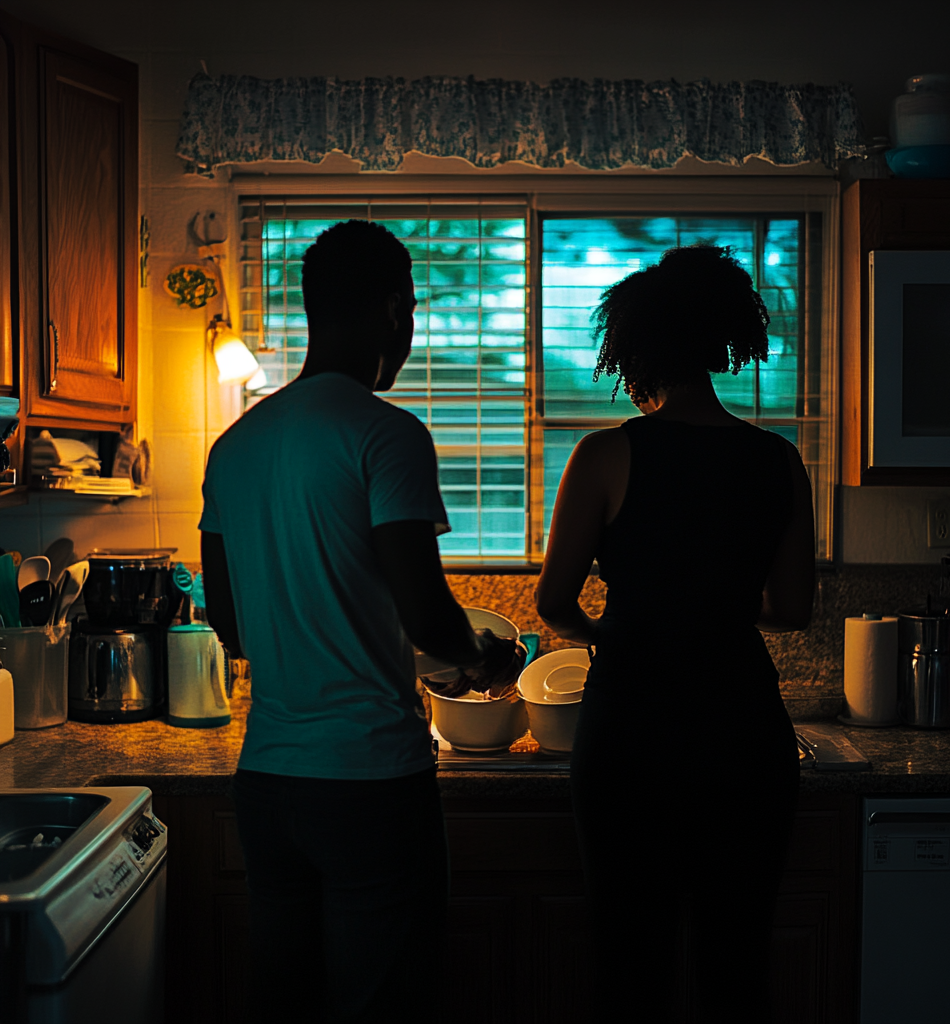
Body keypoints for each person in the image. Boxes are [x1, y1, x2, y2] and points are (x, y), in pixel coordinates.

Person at [200, 220, 514, 1024]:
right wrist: (478, 659)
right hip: (370, 786)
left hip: (268, 785)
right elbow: (425, 612)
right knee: (384, 1005)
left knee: (287, 1002)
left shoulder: (232, 449)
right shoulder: (389, 436)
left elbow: (231, 627)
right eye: (408, 312)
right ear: (393, 309)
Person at [534, 245, 816, 1022]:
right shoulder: (778, 460)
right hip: (743, 733)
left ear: (634, 349)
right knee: (736, 962)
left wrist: (616, 628)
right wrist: (713, 605)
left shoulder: (605, 455)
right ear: (725, 341)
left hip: (631, 731)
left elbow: (554, 602)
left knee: (630, 961)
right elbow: (792, 609)